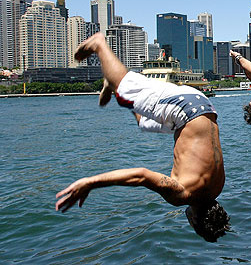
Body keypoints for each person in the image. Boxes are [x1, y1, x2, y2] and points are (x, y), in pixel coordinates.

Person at [55, 33, 230, 242]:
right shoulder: (182, 195)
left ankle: (112, 86)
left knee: (145, 123)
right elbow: (142, 175)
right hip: (184, 109)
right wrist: (91, 183)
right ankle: (99, 44)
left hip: (204, 109)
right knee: (126, 87)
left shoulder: (217, 188)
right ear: (194, 222)